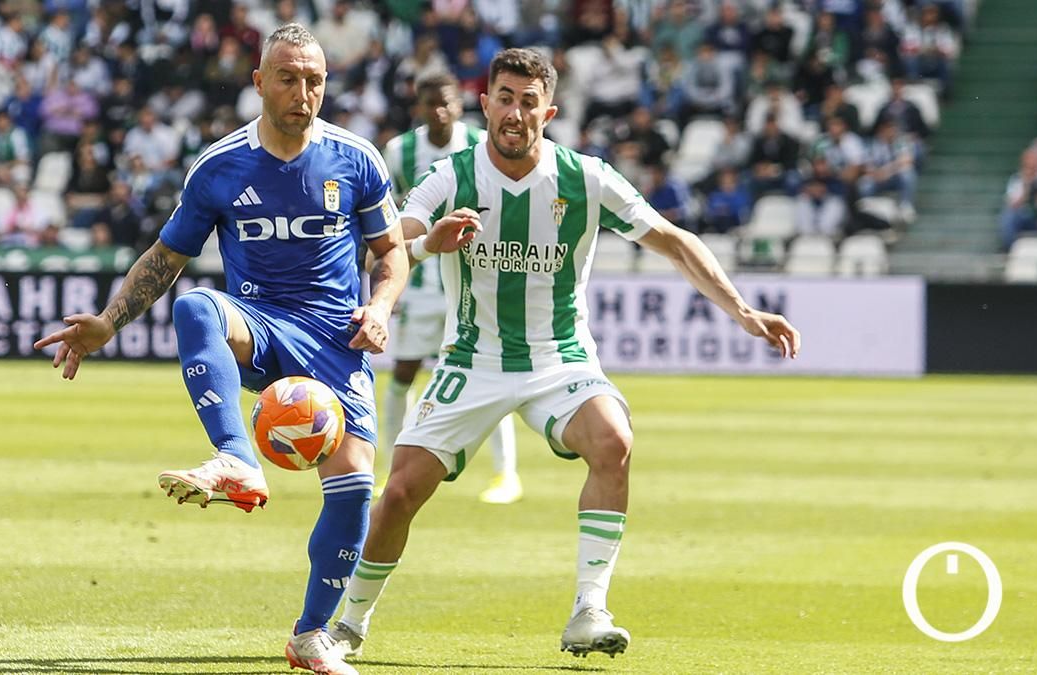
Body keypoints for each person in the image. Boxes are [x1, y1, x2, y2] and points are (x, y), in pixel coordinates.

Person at [328, 48, 800, 662]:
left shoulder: (586, 177)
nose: (515, 112)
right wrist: (426, 246)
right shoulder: (452, 175)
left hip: (561, 359)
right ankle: (351, 624)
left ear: (547, 111)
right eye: (505, 97)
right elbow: (389, 245)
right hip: (473, 358)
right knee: (399, 494)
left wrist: (743, 311)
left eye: (529, 101)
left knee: (614, 442)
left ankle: (589, 609)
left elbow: (675, 241)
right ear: (486, 103)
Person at [34, 24, 407, 675]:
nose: (302, 91)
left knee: (353, 492)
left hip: (335, 342)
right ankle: (237, 458)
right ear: (259, 82)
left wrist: (379, 308)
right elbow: (168, 256)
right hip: (259, 323)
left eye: (314, 79)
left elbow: (391, 253)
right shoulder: (220, 165)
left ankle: (311, 633)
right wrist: (109, 321)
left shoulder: (357, 159)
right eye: (288, 78)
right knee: (195, 304)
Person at [381, 71, 522, 505]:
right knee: (403, 375)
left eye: (446, 102)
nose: (439, 111)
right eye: (430, 104)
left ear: (460, 105)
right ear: (419, 108)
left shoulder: (482, 145)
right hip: (422, 281)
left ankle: (506, 475)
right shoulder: (399, 151)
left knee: (491, 375)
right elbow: (386, 215)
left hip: (474, 282)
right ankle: (392, 470)